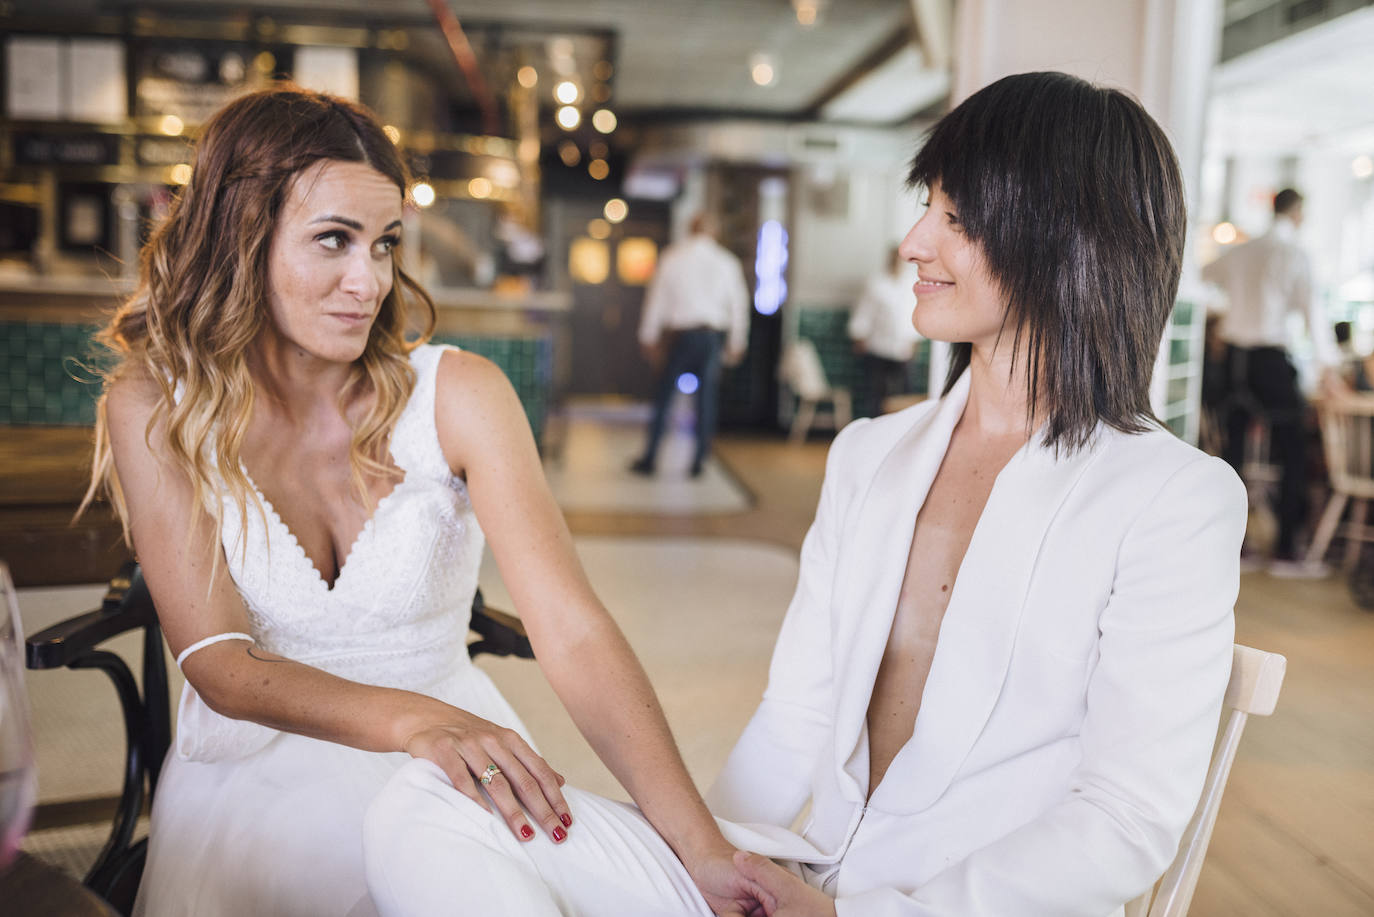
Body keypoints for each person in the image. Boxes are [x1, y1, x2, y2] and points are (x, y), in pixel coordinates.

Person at [363, 71, 1246, 917]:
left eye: (955, 217)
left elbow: (1126, 819)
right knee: (429, 800)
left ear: (1064, 239)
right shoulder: (870, 454)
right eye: (925, 207)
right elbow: (796, 717)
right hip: (804, 870)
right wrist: (704, 862)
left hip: (939, 904)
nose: (914, 243)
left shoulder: (1172, 498)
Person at [81, 86, 758, 917]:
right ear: (239, 236)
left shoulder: (460, 392)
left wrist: (701, 846)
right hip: (257, 776)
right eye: (333, 240)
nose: (366, 282)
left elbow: (573, 630)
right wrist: (416, 721)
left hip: (453, 759)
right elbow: (221, 664)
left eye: (384, 244)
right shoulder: (155, 404)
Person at [1203, 188, 1333, 576]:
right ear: (1296, 212)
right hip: (1270, 360)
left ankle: (1232, 547)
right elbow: (1313, 311)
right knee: (1293, 450)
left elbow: (1204, 277)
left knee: (1233, 455)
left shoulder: (1242, 250)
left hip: (1233, 360)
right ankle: (1285, 550)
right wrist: (1327, 366)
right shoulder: (1293, 253)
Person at [630, 214, 750, 478]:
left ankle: (650, 457)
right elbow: (738, 305)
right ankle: (698, 462)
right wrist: (737, 341)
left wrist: (648, 335)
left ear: (689, 229)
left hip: (679, 337)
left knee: (664, 399)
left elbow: (657, 300)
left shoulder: (673, 257)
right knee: (705, 400)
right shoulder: (726, 262)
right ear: (715, 232)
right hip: (710, 337)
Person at [847, 246, 921, 417]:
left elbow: (913, 313)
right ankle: (875, 425)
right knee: (876, 393)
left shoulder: (911, 283)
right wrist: (859, 336)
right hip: (878, 347)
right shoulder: (876, 283)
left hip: (904, 348)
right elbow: (864, 312)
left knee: (905, 392)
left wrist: (915, 340)